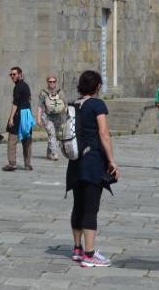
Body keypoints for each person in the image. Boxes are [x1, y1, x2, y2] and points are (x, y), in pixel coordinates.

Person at [66, 69, 118, 268]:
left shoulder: (74, 105)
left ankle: (77, 249)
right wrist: (112, 161)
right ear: (97, 86)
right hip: (92, 161)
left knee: (78, 205)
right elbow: (104, 133)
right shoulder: (97, 104)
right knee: (91, 208)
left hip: (75, 161)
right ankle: (89, 255)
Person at [2, 66, 34, 172]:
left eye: (14, 74)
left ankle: (12, 164)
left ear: (20, 74)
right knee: (27, 140)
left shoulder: (17, 87)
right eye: (11, 75)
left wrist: (11, 118)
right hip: (27, 115)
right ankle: (27, 164)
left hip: (18, 116)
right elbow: (28, 100)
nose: (12, 76)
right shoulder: (26, 86)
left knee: (12, 140)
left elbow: (15, 104)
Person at [37, 75, 67, 161]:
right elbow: (40, 106)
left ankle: (48, 153)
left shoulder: (60, 92)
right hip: (47, 117)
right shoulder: (43, 93)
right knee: (51, 134)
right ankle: (54, 153)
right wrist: (38, 118)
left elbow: (65, 105)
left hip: (58, 117)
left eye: (54, 81)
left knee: (56, 135)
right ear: (47, 82)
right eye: (50, 81)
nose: (52, 83)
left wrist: (66, 117)